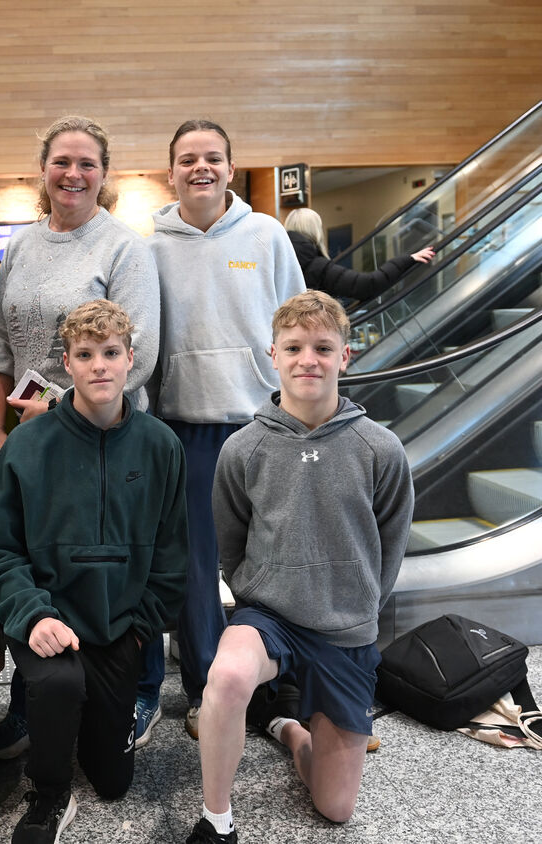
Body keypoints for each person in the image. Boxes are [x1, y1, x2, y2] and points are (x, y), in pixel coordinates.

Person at [185, 290, 414, 843]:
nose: (307, 359)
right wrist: (259, 591)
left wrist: (356, 602)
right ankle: (217, 821)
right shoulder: (243, 448)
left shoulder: (379, 448)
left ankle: (288, 728)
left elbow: (391, 544)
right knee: (228, 674)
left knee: (334, 808)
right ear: (273, 354)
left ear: (344, 356)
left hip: (345, 627)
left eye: (321, 347)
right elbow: (231, 541)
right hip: (271, 616)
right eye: (294, 347)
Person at [0, 115, 161, 758]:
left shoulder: (124, 248)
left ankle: (139, 693)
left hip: (104, 441)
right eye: (61, 162)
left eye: (86, 163)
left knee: (117, 560)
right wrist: (2, 427)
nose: (73, 174)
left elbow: (138, 352)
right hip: (30, 443)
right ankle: (34, 705)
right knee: (39, 564)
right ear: (44, 170)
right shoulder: (24, 246)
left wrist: (57, 415)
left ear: (104, 175)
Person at [0, 299, 188, 844]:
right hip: (49, 621)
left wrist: (143, 627)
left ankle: (85, 730)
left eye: (110, 353)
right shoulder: (28, 445)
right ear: (65, 364)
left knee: (114, 782)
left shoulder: (160, 445)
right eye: (86, 354)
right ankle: (48, 792)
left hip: (121, 626)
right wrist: (32, 615)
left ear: (130, 360)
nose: (99, 366)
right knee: (59, 684)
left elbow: (172, 552)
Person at [148, 119, 305, 740]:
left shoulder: (266, 235)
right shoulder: (150, 247)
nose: (200, 168)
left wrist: (299, 409)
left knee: (273, 559)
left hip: (263, 422)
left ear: (230, 169)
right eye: (188, 159)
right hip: (184, 428)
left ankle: (281, 683)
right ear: (172, 173)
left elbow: (298, 322)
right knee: (195, 566)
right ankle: (205, 689)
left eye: (212, 157)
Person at [284, 207, 435, 302]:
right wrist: (408, 259)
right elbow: (368, 285)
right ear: (316, 231)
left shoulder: (275, 261)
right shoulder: (317, 267)